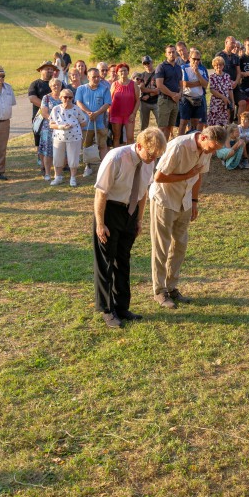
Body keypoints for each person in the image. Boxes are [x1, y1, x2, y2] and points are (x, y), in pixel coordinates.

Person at [92, 127, 167, 329]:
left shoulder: (148, 162)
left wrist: (138, 220)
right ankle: (107, 310)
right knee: (106, 262)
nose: (152, 159)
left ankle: (122, 307)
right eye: (150, 154)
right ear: (139, 146)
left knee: (123, 261)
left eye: (156, 156)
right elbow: (101, 193)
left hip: (130, 213)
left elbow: (143, 192)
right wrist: (100, 223)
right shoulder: (116, 158)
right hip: (110, 211)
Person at [149, 125, 227, 309]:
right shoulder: (178, 146)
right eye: (212, 148)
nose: (212, 152)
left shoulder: (207, 149)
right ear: (203, 138)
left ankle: (171, 287)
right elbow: (159, 177)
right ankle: (159, 291)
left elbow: (198, 176)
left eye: (216, 150)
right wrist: (186, 175)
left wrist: (194, 201)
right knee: (161, 246)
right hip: (165, 200)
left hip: (184, 201)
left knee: (180, 245)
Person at [49, 87, 90, 187]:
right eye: (65, 97)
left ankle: (73, 178)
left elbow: (84, 122)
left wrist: (74, 126)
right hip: (58, 137)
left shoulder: (76, 109)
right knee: (57, 157)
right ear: (60, 98)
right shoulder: (56, 109)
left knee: (73, 157)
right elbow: (51, 124)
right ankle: (58, 177)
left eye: (70, 97)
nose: (67, 99)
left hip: (74, 137)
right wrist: (61, 127)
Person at [30, 61, 57, 168]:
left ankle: (57, 161)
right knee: (40, 141)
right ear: (41, 70)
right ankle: (42, 163)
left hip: (56, 117)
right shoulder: (35, 84)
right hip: (40, 118)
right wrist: (46, 108)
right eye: (47, 68)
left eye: (51, 69)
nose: (50, 70)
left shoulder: (58, 83)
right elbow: (32, 98)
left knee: (56, 139)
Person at [154, 45, 184, 140]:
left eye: (173, 52)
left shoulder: (178, 68)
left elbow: (181, 84)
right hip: (165, 100)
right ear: (165, 54)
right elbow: (159, 85)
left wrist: (180, 94)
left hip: (175, 101)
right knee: (162, 128)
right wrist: (172, 95)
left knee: (170, 128)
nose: (171, 54)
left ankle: (165, 147)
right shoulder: (161, 67)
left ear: (176, 53)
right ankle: (158, 148)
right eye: (169, 52)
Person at [36, 78, 63, 181]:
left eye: (58, 85)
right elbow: (44, 112)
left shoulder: (64, 96)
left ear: (61, 86)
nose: (56, 87)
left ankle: (58, 173)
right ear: (50, 87)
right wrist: (54, 121)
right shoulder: (46, 98)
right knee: (48, 151)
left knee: (60, 151)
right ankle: (47, 173)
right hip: (49, 127)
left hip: (61, 128)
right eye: (54, 85)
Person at [109, 63, 140, 147]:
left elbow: (138, 100)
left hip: (129, 115)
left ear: (128, 71)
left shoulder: (133, 84)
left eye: (125, 70)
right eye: (121, 71)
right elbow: (110, 100)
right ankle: (117, 154)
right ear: (117, 73)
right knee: (116, 137)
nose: (123, 72)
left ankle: (130, 153)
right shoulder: (114, 84)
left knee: (130, 137)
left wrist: (134, 113)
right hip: (116, 114)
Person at [178, 50, 208, 134]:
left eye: (198, 59)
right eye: (194, 59)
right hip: (186, 98)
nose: (196, 61)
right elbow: (185, 83)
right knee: (183, 122)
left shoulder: (202, 69)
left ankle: (192, 139)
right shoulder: (184, 68)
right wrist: (199, 83)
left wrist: (197, 73)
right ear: (189, 58)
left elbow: (205, 85)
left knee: (195, 122)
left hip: (198, 98)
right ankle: (180, 139)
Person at [206, 56, 235, 127]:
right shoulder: (212, 76)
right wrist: (223, 97)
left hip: (225, 103)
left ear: (223, 65)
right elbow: (212, 90)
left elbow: (230, 89)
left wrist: (232, 101)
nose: (219, 66)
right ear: (214, 66)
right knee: (214, 123)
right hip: (216, 103)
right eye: (217, 65)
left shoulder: (227, 76)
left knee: (225, 122)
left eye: (220, 64)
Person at [135, 56, 159, 130]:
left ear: (152, 62)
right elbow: (140, 89)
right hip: (144, 103)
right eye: (144, 63)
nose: (147, 65)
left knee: (161, 124)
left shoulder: (158, 74)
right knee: (144, 125)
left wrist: (148, 94)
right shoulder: (141, 75)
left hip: (156, 102)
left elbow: (159, 90)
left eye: (148, 63)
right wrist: (149, 91)